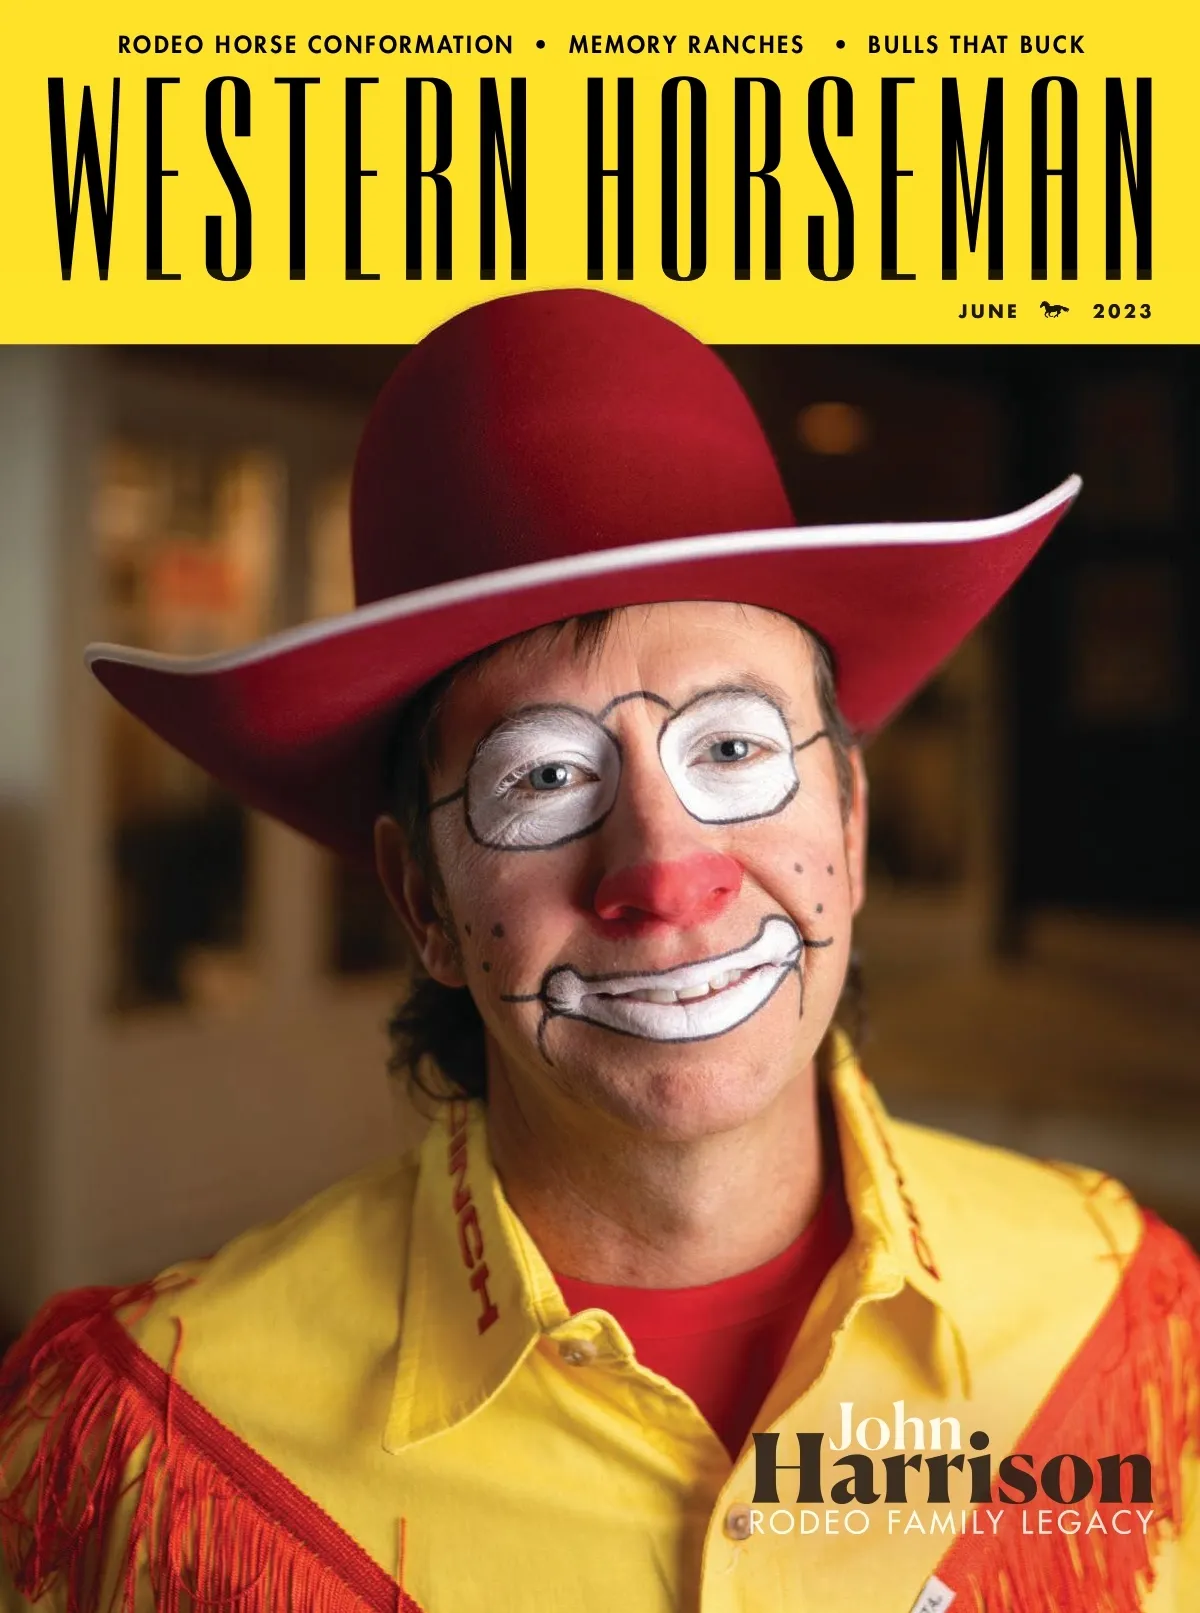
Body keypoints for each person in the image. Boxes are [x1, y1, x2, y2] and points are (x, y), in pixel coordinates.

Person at [1, 290, 1197, 1613]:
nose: (664, 877)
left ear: (850, 827)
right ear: (423, 901)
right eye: (546, 778)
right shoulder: (170, 1446)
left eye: (733, 747)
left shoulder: (1112, 1313)